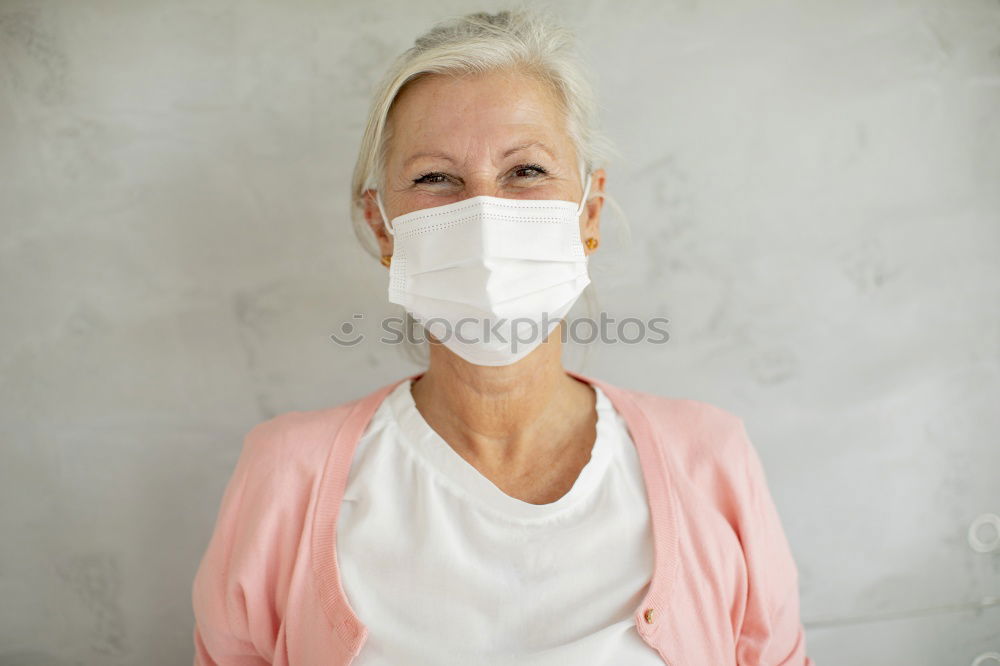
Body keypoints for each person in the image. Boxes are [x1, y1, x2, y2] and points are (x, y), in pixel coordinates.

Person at [192, 8, 814, 665]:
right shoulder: (287, 474)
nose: (484, 214)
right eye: (436, 178)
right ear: (382, 227)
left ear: (589, 214)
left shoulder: (710, 461)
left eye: (526, 172)